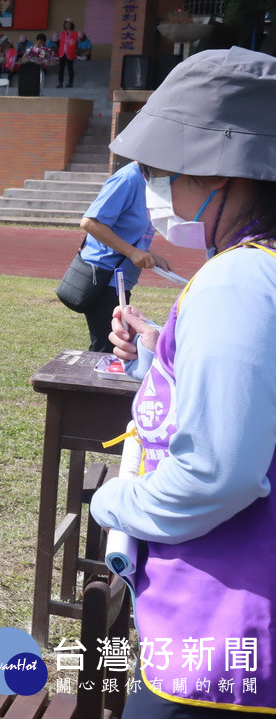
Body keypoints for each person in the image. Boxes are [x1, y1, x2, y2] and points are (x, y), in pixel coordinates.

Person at [89, 47, 276, 718]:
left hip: (223, 636)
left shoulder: (236, 279)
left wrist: (114, 504)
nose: (172, 195)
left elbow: (217, 475)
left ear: (230, 174)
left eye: (180, 176)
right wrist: (156, 356)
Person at [57, 162, 167, 351]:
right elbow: (90, 222)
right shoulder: (128, 178)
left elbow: (129, 231)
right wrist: (132, 252)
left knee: (112, 345)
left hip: (120, 279)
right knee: (107, 348)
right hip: (104, 277)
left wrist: (149, 254)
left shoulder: (149, 180)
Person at [56, 19, 79, 88]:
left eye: (69, 24)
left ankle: (70, 82)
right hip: (62, 53)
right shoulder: (62, 33)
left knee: (70, 68)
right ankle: (60, 82)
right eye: (66, 24)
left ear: (71, 25)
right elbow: (59, 43)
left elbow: (77, 43)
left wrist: (76, 51)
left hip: (70, 53)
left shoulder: (75, 34)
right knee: (61, 68)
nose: (67, 25)